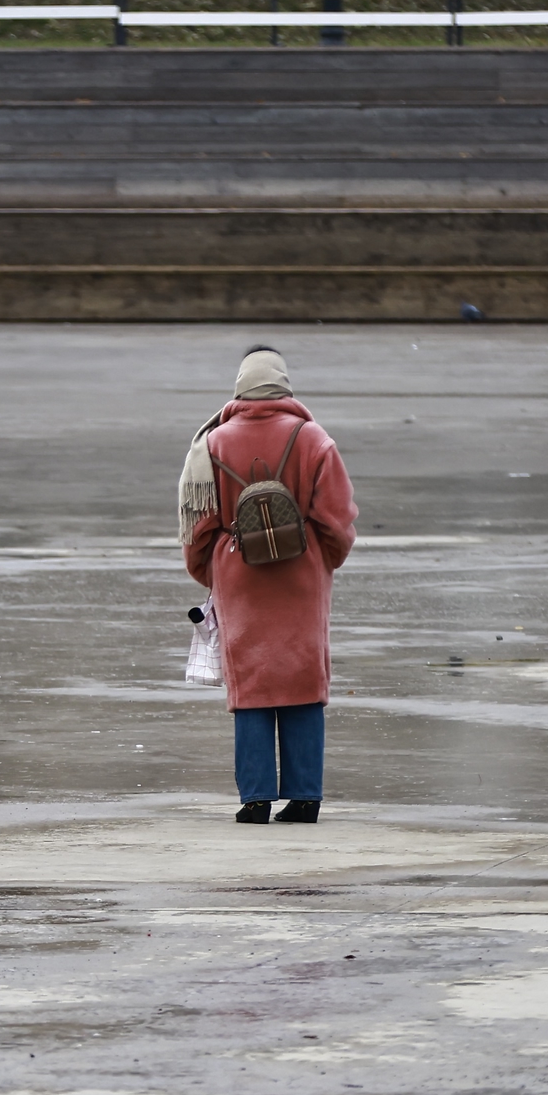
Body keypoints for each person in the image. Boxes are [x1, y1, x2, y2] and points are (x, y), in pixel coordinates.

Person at [179, 346, 358, 824]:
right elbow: (338, 519)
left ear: (240, 386)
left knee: (251, 683)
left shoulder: (213, 444)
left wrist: (213, 572)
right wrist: (321, 562)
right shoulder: (313, 438)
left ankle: (256, 799)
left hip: (238, 573)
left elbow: (197, 524)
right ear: (284, 385)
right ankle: (305, 797)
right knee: (304, 679)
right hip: (303, 574)